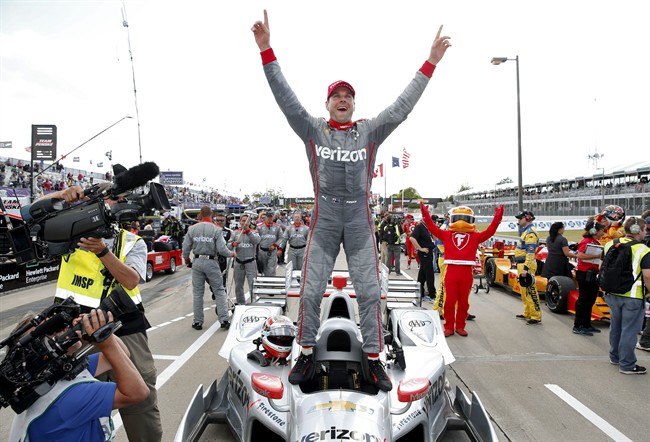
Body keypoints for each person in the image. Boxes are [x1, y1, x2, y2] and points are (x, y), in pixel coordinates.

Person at [252, 9, 451, 392]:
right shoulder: (312, 128)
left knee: (372, 290)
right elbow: (286, 100)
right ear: (327, 104)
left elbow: (402, 107)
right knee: (310, 289)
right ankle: (306, 355)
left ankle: (374, 361)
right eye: (336, 96)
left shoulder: (370, 130)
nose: (342, 100)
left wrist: (430, 62)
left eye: (348, 96)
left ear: (354, 105)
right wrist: (267, 51)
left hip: (360, 221)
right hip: (324, 220)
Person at [39, 185, 163, 441]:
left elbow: (131, 280)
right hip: (74, 328)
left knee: (141, 400)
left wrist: (103, 252)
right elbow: (30, 212)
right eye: (104, 199)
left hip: (125, 327)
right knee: (75, 397)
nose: (108, 204)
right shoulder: (66, 233)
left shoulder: (131, 240)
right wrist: (62, 196)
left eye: (114, 199)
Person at [8, 309, 150, 441]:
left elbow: (122, 353)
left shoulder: (49, 378)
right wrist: (106, 342)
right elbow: (137, 392)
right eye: (51, 331)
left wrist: (97, 334)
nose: (64, 328)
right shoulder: (69, 397)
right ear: (38, 356)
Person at [421, 204, 504, 336]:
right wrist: (425, 214)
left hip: (466, 272)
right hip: (451, 271)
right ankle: (449, 326)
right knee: (449, 301)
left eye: (465, 218)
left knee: (463, 302)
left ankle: (460, 325)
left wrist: (498, 217)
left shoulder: (475, 236)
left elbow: (491, 231)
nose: (461, 221)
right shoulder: (447, 234)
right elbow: (432, 228)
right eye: (458, 218)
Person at [603, 217, 650, 374]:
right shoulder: (644, 250)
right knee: (629, 330)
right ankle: (627, 364)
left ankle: (614, 356)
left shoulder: (610, 243)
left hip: (611, 293)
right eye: (645, 229)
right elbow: (648, 276)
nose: (646, 232)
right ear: (637, 231)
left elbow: (602, 267)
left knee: (615, 326)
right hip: (633, 296)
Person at [182, 206, 236, 331]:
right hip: (211, 261)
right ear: (211, 214)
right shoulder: (216, 230)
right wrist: (232, 254)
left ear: (200, 214)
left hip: (197, 261)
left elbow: (185, 248)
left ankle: (198, 322)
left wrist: (187, 259)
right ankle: (223, 320)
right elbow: (222, 249)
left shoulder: (192, 229)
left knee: (198, 293)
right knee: (219, 290)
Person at [573, 220, 606, 336]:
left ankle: (586, 324)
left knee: (590, 300)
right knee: (584, 300)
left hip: (591, 274)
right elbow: (580, 255)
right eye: (601, 229)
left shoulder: (595, 242)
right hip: (585, 274)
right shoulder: (586, 241)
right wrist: (597, 256)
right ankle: (578, 325)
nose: (603, 231)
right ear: (594, 231)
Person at [514, 210, 542, 325]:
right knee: (524, 290)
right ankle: (527, 312)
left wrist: (526, 268)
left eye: (520, 218)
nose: (518, 220)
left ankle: (536, 315)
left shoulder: (530, 233)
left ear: (528, 218)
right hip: (522, 264)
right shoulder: (526, 231)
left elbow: (530, 253)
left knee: (530, 290)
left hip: (527, 265)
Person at [228, 213, 260, 305]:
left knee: (253, 284)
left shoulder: (254, 232)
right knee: (238, 285)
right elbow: (228, 246)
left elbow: (257, 241)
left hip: (250, 262)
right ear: (240, 221)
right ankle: (240, 303)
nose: (245, 223)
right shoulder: (235, 233)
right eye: (243, 221)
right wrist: (233, 244)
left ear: (249, 222)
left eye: (247, 221)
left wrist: (248, 232)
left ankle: (254, 303)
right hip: (238, 262)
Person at [410, 214, 437, 302]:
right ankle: (431, 294)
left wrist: (433, 229)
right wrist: (419, 248)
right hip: (424, 252)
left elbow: (435, 238)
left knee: (422, 274)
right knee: (429, 274)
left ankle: (420, 292)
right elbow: (412, 238)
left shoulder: (427, 227)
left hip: (429, 252)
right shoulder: (420, 227)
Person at [257, 212, 284, 276]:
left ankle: (271, 282)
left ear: (273, 217)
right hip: (262, 251)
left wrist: (275, 246)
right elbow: (255, 238)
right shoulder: (259, 227)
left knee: (271, 268)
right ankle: (264, 282)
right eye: (268, 217)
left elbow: (281, 238)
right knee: (262, 268)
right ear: (265, 217)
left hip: (272, 251)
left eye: (271, 217)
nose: (269, 218)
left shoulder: (277, 227)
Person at [214, 212, 232, 292]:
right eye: (217, 220)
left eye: (221, 220)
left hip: (223, 256)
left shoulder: (229, 231)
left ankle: (223, 290)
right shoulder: (211, 230)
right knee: (212, 275)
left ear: (225, 221)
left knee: (223, 274)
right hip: (212, 256)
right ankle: (214, 290)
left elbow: (230, 244)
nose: (219, 222)